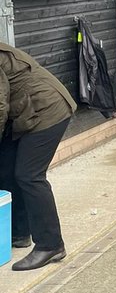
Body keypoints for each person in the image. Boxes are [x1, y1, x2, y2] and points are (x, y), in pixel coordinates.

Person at [0, 43, 76, 271]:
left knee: (29, 175)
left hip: (47, 110)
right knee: (6, 167)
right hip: (27, 111)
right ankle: (19, 232)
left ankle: (51, 245)